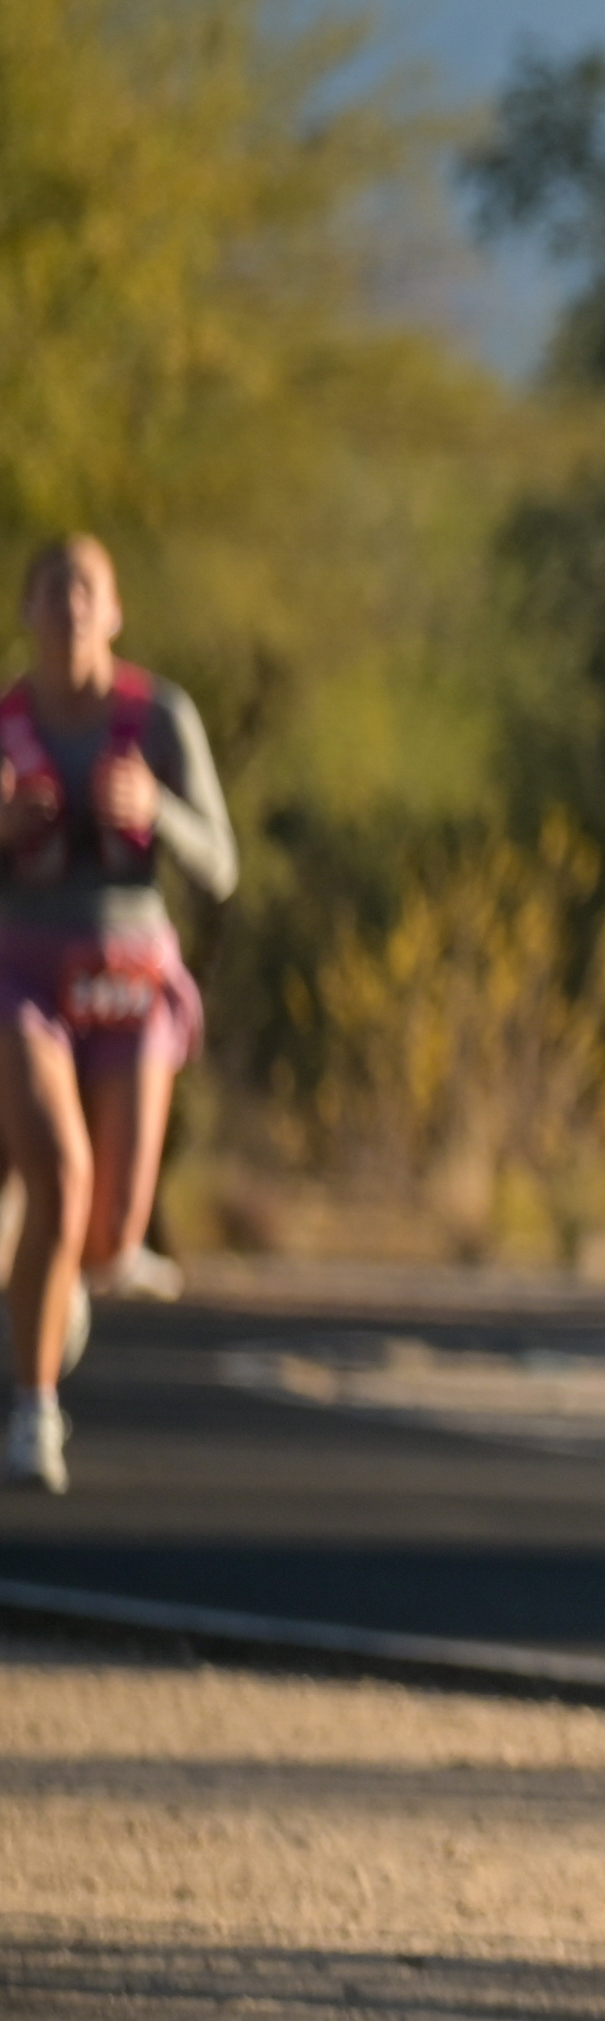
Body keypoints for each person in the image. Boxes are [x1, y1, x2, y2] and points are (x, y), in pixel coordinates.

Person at [3, 536, 242, 1492]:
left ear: (115, 612)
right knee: (58, 1168)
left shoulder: (161, 717)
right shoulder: (4, 721)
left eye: (85, 591)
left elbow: (220, 867)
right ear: (24, 613)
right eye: (50, 592)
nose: (68, 609)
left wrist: (159, 809)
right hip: (20, 966)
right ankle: (33, 1412)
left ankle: (61, 1273)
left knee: (108, 1234)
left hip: (131, 974)